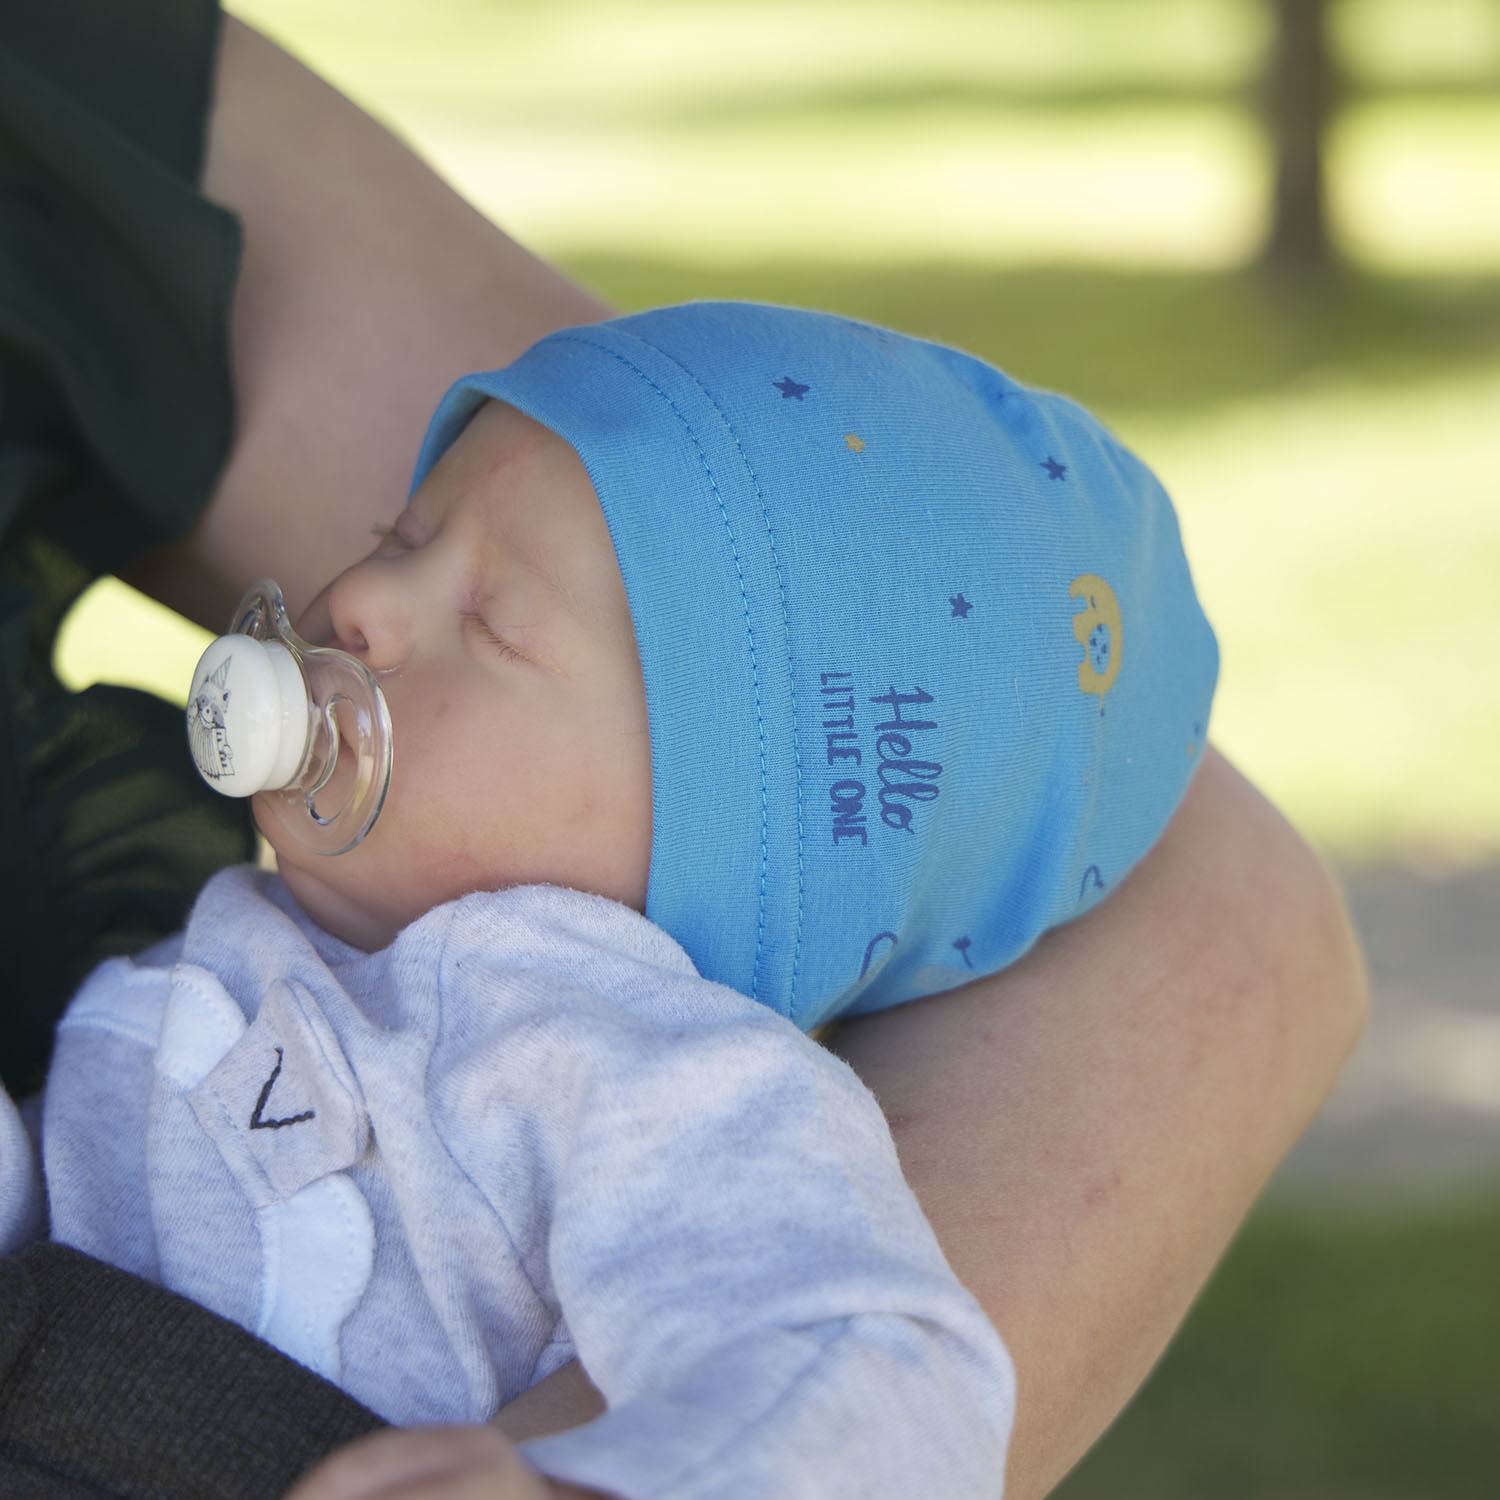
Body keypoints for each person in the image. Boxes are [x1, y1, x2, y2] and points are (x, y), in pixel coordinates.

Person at [0, 5, 1368, 1498]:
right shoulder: (254, 948)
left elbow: (855, 1368)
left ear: (717, 838)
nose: (366, 603)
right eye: (401, 534)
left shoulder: (632, 1073)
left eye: (494, 624)